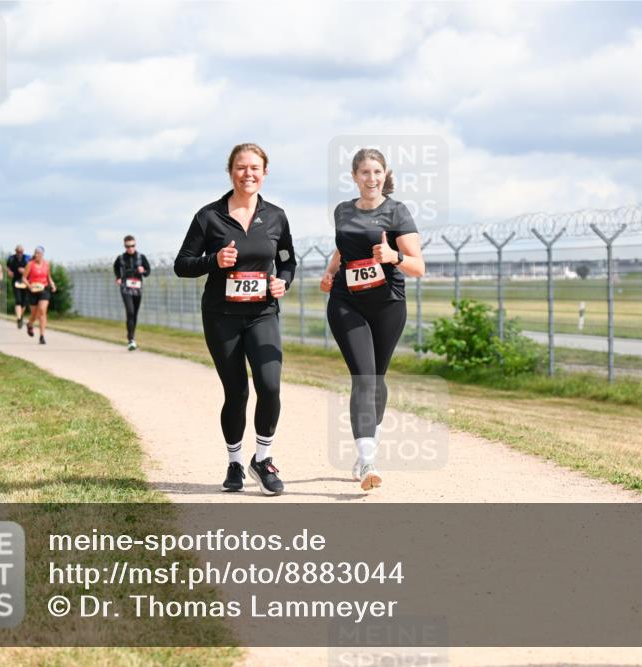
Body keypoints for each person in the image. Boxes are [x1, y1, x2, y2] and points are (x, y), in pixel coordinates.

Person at [174, 143, 296, 496]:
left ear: (265, 172)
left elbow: (288, 260)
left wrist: (282, 281)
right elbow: (182, 264)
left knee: (270, 385)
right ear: (231, 172)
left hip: (262, 314)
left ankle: (264, 459)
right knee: (237, 391)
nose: (248, 173)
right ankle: (234, 462)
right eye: (242, 167)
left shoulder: (276, 216)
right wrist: (214, 260)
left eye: (255, 167)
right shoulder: (209, 216)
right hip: (221, 316)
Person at [320, 148, 426, 491]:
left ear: (385, 175)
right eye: (365, 172)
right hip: (346, 302)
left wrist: (393, 255)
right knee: (363, 377)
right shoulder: (342, 211)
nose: (371, 178)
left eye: (377, 172)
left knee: (377, 378)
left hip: (387, 305)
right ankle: (368, 460)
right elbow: (343, 247)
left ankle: (370, 443)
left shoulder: (397, 212)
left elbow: (418, 266)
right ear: (354, 176)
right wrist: (330, 271)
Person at [114, 235, 152, 350]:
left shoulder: (141, 257)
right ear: (124, 246)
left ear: (135, 245)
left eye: (132, 245)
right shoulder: (120, 258)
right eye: (128, 246)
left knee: (134, 313)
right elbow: (116, 268)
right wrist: (118, 277)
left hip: (137, 288)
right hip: (126, 288)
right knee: (130, 312)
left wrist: (143, 271)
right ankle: (130, 339)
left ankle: (132, 336)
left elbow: (148, 271)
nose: (130, 248)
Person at [22, 245, 56, 344]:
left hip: (44, 289)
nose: (36, 255)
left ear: (42, 254)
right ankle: (30, 324)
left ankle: (42, 336)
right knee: (34, 314)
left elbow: (49, 277)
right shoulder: (30, 264)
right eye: (35, 253)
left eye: (38, 253)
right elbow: (24, 278)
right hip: (33, 290)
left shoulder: (46, 264)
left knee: (42, 311)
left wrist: (52, 285)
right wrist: (29, 286)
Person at [6, 245, 30, 329]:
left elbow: (31, 269)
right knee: (18, 300)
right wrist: (9, 272)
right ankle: (19, 319)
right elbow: (8, 267)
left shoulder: (27, 258)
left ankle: (21, 315)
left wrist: (25, 271)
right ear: (15, 251)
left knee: (24, 302)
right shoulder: (11, 258)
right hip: (16, 281)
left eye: (21, 252)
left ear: (23, 251)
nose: (20, 253)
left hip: (26, 281)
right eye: (18, 252)